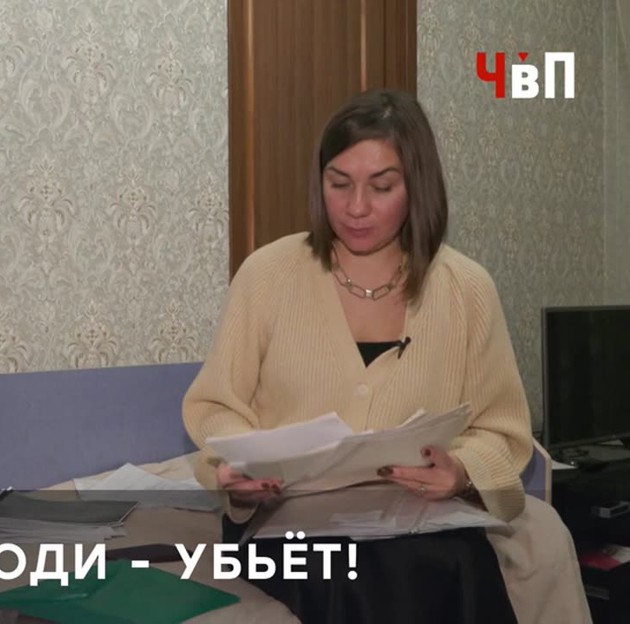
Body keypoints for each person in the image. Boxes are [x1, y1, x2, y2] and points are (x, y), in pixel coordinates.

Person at [183, 88, 588, 623]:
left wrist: (461, 471)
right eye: (338, 183)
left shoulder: (467, 288)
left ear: (416, 186)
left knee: (455, 561)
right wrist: (236, 470)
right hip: (289, 517)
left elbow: (503, 430)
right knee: (353, 574)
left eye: (381, 187)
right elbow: (217, 408)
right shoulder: (267, 275)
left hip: (419, 513)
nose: (356, 207)